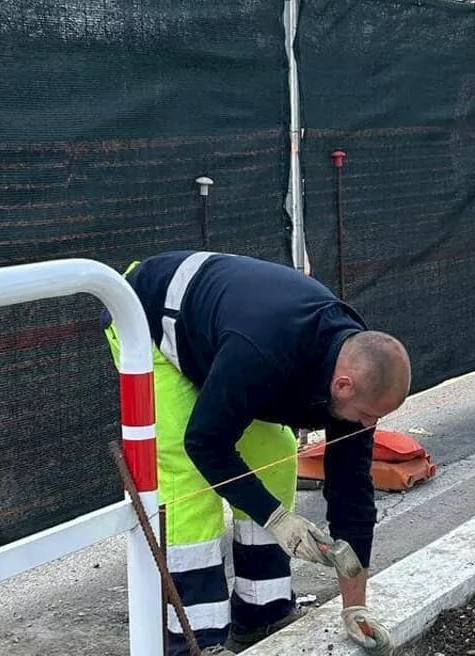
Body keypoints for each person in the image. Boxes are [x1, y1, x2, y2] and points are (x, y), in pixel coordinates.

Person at [100, 250, 408, 656]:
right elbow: (205, 442)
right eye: (369, 416)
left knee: (274, 455)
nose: (369, 426)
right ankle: (196, 639)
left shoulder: (352, 361)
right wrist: (277, 519)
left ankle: (262, 614)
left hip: (224, 341)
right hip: (150, 319)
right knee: (186, 474)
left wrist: (356, 607)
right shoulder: (265, 351)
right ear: (344, 386)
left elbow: (352, 490)